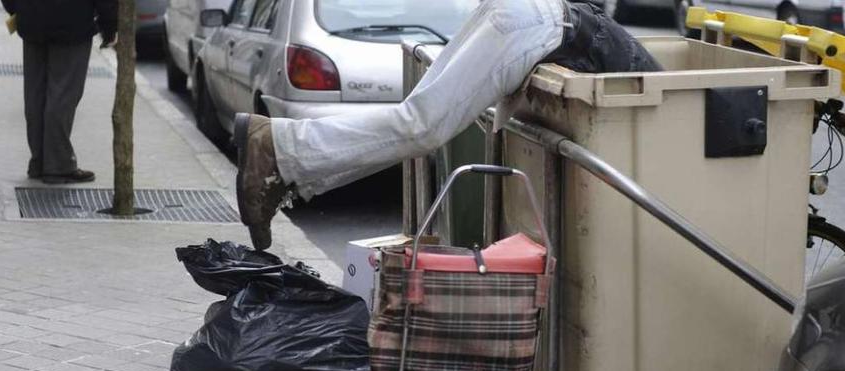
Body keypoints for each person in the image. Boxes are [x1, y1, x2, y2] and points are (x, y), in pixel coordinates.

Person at [234, 0, 661, 250]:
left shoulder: (637, 60)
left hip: (520, 14)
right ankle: (278, 149)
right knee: (423, 126)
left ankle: (288, 170)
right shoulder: (654, 87)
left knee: (419, 120)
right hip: (531, 26)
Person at [1, 0, 117, 184]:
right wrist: (110, 25)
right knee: (63, 93)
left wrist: (19, 9)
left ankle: (39, 161)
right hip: (72, 21)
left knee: (35, 94)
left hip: (32, 20)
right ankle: (57, 165)